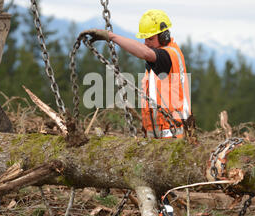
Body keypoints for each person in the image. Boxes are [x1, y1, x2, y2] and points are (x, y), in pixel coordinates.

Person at [81, 9, 191, 139]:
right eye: (145, 39)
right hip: (158, 141)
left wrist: (112, 37)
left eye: (150, 38)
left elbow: (145, 53)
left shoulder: (168, 55)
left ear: (164, 37)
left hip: (175, 140)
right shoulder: (156, 61)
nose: (146, 43)